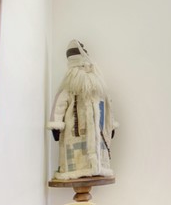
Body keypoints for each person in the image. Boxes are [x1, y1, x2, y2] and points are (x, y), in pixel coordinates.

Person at [48, 40, 118, 180]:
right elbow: (59, 104)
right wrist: (56, 125)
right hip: (76, 133)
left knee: (97, 151)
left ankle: (97, 167)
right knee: (77, 155)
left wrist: (110, 125)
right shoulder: (69, 85)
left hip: (98, 133)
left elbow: (107, 105)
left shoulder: (97, 82)